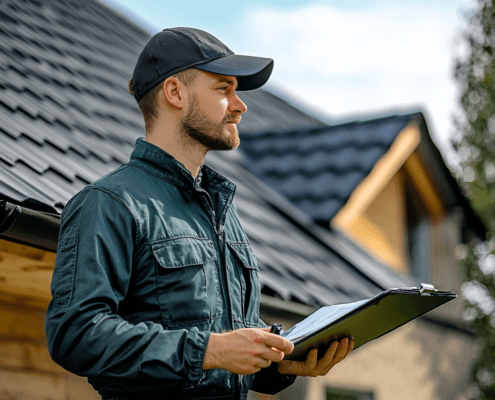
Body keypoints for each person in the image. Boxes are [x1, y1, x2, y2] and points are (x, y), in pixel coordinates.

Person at [44, 27, 354, 400]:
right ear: (174, 92)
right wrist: (210, 350)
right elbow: (75, 333)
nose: (240, 105)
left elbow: (222, 335)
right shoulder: (110, 202)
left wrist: (278, 362)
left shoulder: (220, 207)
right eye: (224, 89)